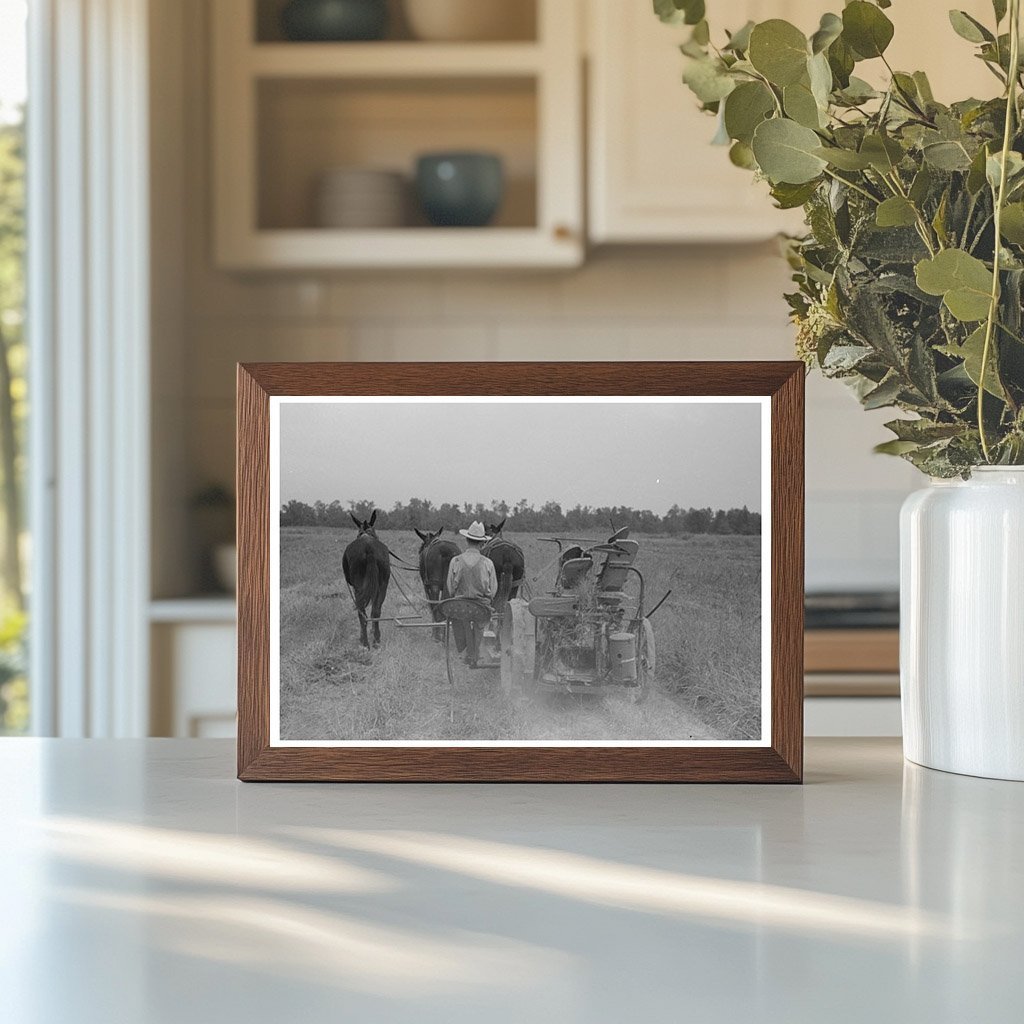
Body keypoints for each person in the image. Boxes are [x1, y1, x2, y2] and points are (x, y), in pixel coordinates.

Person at [446, 521, 498, 665]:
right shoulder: (488, 563)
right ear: (482, 543)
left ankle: (465, 651)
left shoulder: (455, 561)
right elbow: (493, 591)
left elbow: (450, 588)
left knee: (459, 618)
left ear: (467, 540)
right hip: (481, 607)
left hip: (460, 607)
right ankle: (476, 652)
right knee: (480, 623)